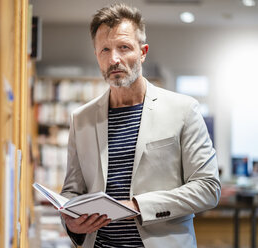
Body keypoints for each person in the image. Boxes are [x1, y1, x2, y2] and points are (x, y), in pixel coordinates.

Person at [59, 3, 221, 248]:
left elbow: (208, 188)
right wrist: (69, 222)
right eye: (105, 49)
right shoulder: (81, 118)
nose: (114, 59)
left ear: (143, 52)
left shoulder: (183, 110)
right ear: (97, 55)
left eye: (124, 47)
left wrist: (137, 206)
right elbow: (71, 192)